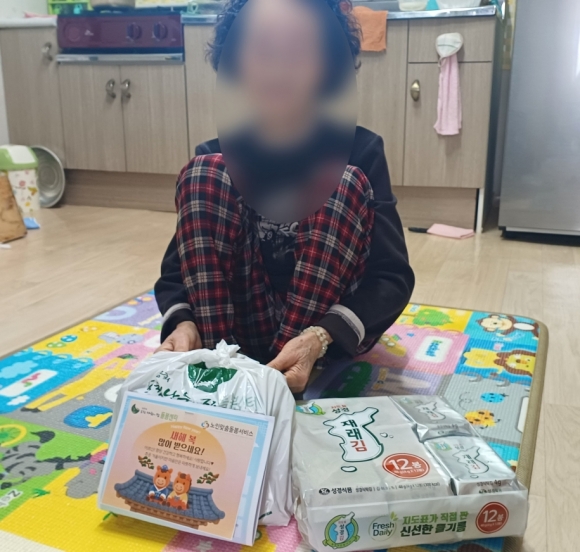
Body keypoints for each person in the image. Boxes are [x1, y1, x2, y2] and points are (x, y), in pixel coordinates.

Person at [155, 0, 414, 393]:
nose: (278, 70)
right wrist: (183, 323)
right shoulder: (217, 158)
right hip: (235, 330)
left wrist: (320, 337)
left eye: (299, 51)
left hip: (323, 332)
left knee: (341, 180)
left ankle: (284, 374)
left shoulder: (360, 151)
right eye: (262, 50)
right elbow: (178, 271)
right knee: (204, 174)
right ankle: (218, 371)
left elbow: (391, 276)